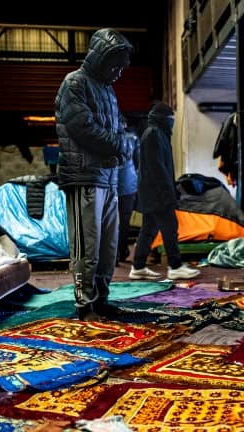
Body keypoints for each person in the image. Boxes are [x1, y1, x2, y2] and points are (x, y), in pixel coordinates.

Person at [54, 28, 134, 321]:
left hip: (107, 178)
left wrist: (118, 146)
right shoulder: (75, 83)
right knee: (87, 246)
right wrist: (119, 144)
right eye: (115, 66)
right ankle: (84, 304)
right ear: (101, 59)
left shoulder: (107, 90)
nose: (118, 73)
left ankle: (100, 299)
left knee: (107, 247)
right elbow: (82, 127)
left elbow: (112, 130)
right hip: (84, 176)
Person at [129, 101, 201, 281]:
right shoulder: (154, 134)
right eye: (171, 119)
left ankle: (138, 267)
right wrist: (168, 192)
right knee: (170, 227)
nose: (173, 122)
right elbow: (157, 168)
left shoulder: (155, 133)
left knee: (148, 230)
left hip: (152, 192)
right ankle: (175, 266)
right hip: (157, 193)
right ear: (165, 119)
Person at [117, 114, 140, 264]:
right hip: (128, 184)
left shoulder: (103, 139)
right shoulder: (132, 139)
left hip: (108, 185)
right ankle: (123, 251)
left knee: (108, 222)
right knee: (125, 221)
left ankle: (111, 256)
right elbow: (139, 162)